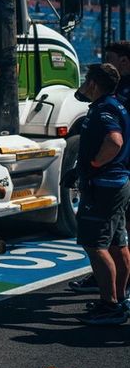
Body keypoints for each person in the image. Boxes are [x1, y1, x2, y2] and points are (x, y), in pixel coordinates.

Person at [60, 63, 130, 324]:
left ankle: (110, 305)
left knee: (96, 245)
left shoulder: (104, 110)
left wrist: (93, 166)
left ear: (93, 83)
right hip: (116, 184)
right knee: (116, 243)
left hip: (104, 186)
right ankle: (119, 299)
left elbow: (114, 141)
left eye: (87, 79)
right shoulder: (114, 104)